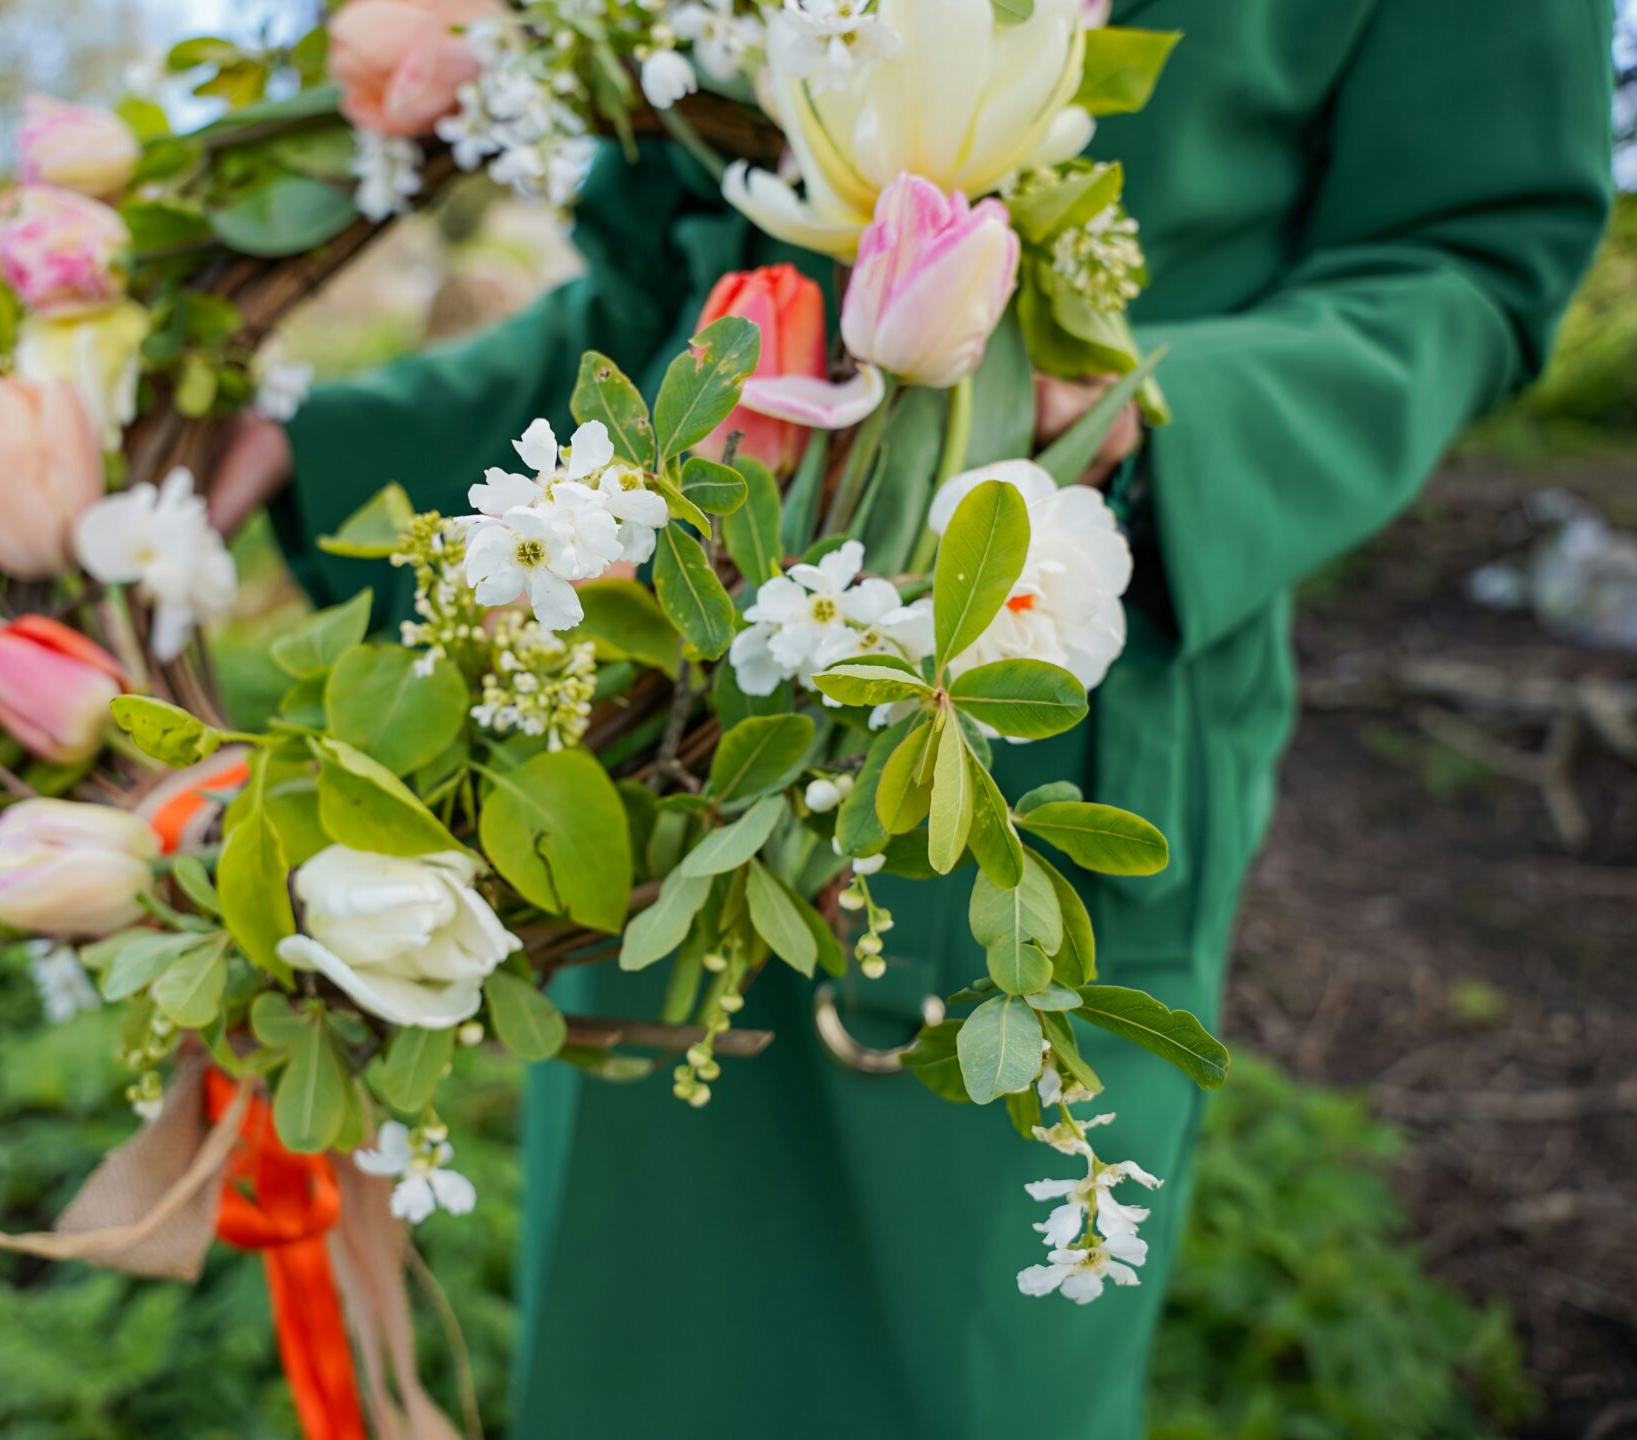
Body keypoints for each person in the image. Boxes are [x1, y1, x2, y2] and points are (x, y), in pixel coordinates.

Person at [211, 1, 1612, 1432]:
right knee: (638, 1338)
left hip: (1038, 690)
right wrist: (310, 441)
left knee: (968, 1369)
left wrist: (1131, 412)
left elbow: (1465, 258)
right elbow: (678, 290)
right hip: (671, 720)